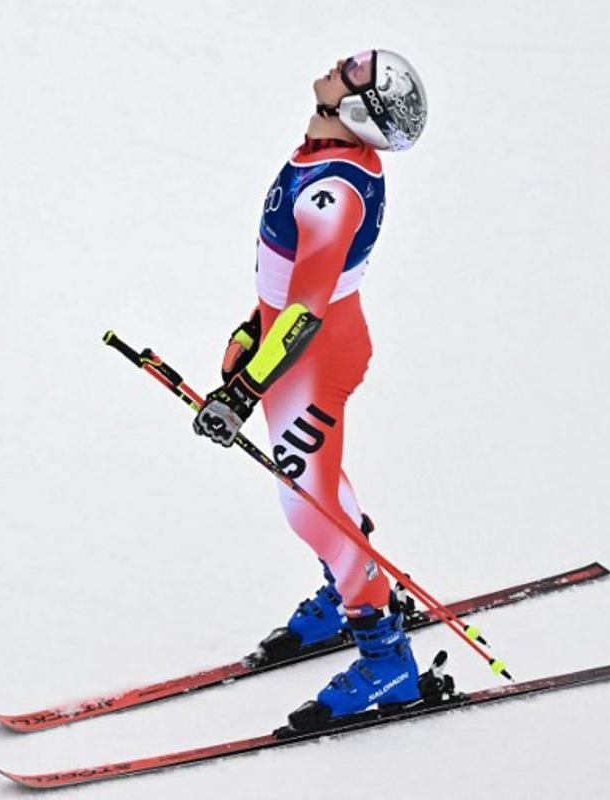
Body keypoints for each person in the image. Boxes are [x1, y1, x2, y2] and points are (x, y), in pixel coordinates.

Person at [193, 50, 437, 730]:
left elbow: (306, 309)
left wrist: (243, 392)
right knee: (318, 486)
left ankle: (386, 657)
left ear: (362, 111)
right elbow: (289, 284)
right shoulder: (321, 159)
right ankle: (346, 586)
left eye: (360, 72)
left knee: (307, 502)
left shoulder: (335, 191)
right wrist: (252, 329)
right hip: (296, 346)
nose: (346, 62)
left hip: (311, 356)